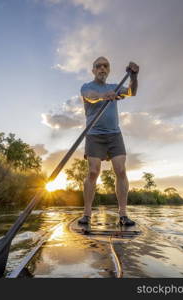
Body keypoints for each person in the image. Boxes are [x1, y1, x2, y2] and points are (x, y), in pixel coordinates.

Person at [78, 56, 139, 226]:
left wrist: (134, 76)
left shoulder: (115, 87)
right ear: (93, 70)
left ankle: (123, 214)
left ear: (109, 70)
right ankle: (87, 214)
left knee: (120, 170)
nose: (102, 68)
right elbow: (90, 96)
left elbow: (131, 92)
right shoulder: (87, 87)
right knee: (93, 172)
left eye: (105, 66)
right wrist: (103, 96)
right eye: (98, 66)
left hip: (114, 134)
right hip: (94, 135)